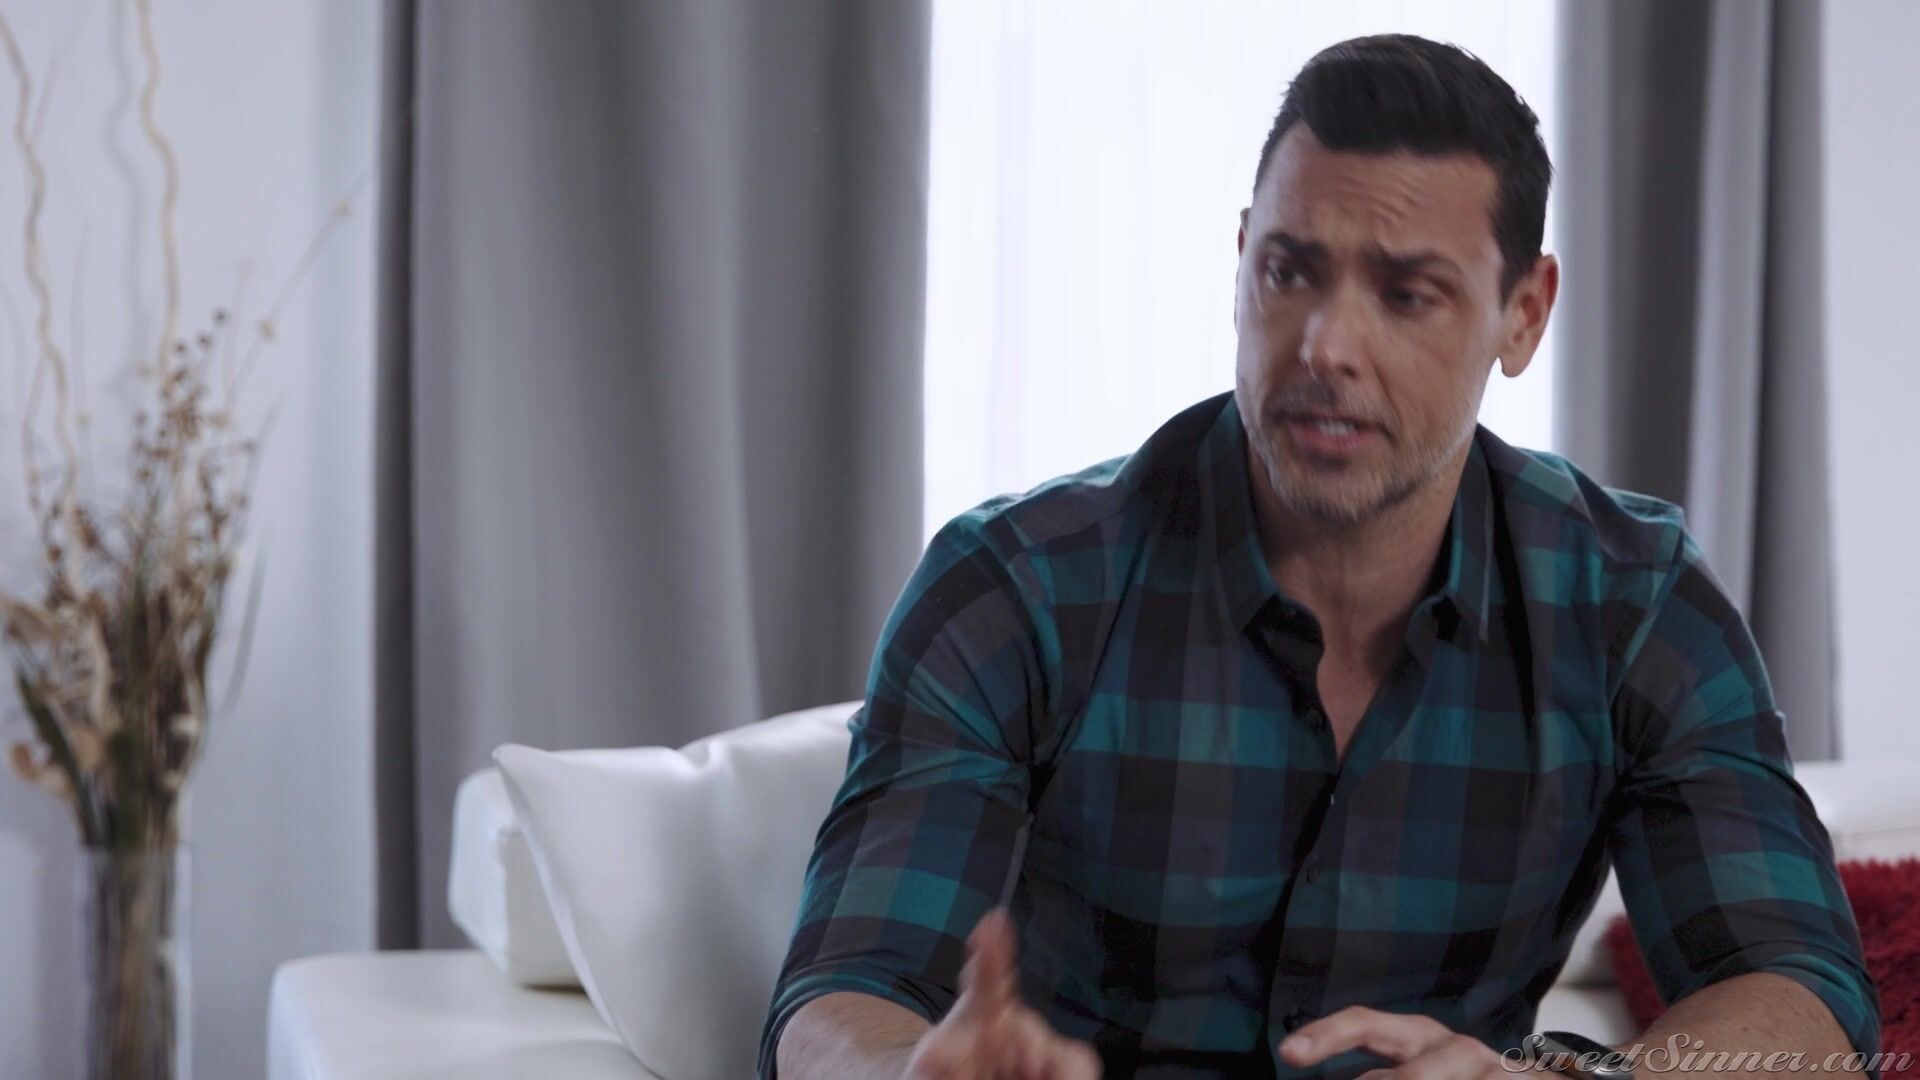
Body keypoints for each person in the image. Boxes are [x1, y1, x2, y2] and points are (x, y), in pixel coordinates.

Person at [760, 33, 1879, 1080]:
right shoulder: (1013, 589)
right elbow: (843, 989)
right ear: (1241, 259)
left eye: (1407, 294)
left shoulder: (1634, 603)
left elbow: (1804, 990)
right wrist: (910, 1072)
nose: (1326, 346)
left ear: (1524, 315)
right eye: (1291, 272)